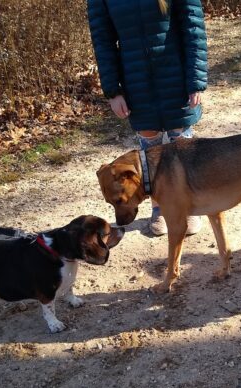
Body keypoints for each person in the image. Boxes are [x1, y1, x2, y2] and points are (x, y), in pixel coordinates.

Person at [88, 0, 209, 236]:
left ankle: (188, 206)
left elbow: (193, 27)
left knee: (180, 144)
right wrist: (113, 91)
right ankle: (160, 207)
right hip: (136, 82)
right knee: (149, 149)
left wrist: (195, 81)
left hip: (175, 74)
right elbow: (103, 41)